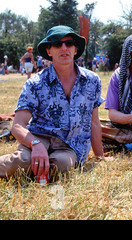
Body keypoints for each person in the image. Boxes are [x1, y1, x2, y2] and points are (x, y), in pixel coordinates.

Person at [0, 26, 105, 181]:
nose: (64, 48)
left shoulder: (92, 80)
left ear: (75, 49)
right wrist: (35, 144)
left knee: (59, 166)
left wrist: (100, 156)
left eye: (69, 43)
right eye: (57, 44)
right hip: (39, 137)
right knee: (22, 162)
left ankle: (38, 170)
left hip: (70, 145)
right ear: (49, 51)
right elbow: (17, 126)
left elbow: (94, 122)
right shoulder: (35, 83)